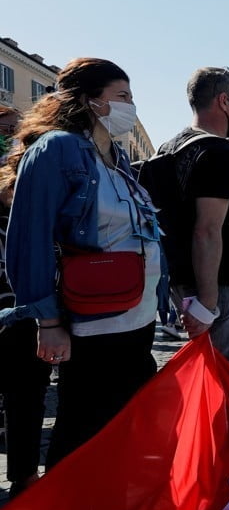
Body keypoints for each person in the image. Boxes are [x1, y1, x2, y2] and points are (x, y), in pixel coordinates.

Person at [0, 58, 163, 468]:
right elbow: (30, 237)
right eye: (122, 96)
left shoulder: (116, 159)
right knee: (84, 429)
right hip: (93, 319)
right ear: (92, 102)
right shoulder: (57, 148)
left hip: (136, 315)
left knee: (125, 425)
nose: (131, 105)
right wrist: (48, 322)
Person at [161, 67, 229, 367]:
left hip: (183, 283)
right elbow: (208, 230)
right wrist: (208, 303)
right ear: (223, 101)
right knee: (222, 380)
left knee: (204, 377)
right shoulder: (220, 151)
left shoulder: (169, 149)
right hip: (220, 286)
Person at [0, 106, 51, 496]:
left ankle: (23, 475)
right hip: (17, 305)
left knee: (26, 395)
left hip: (23, 307)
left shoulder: (28, 182)